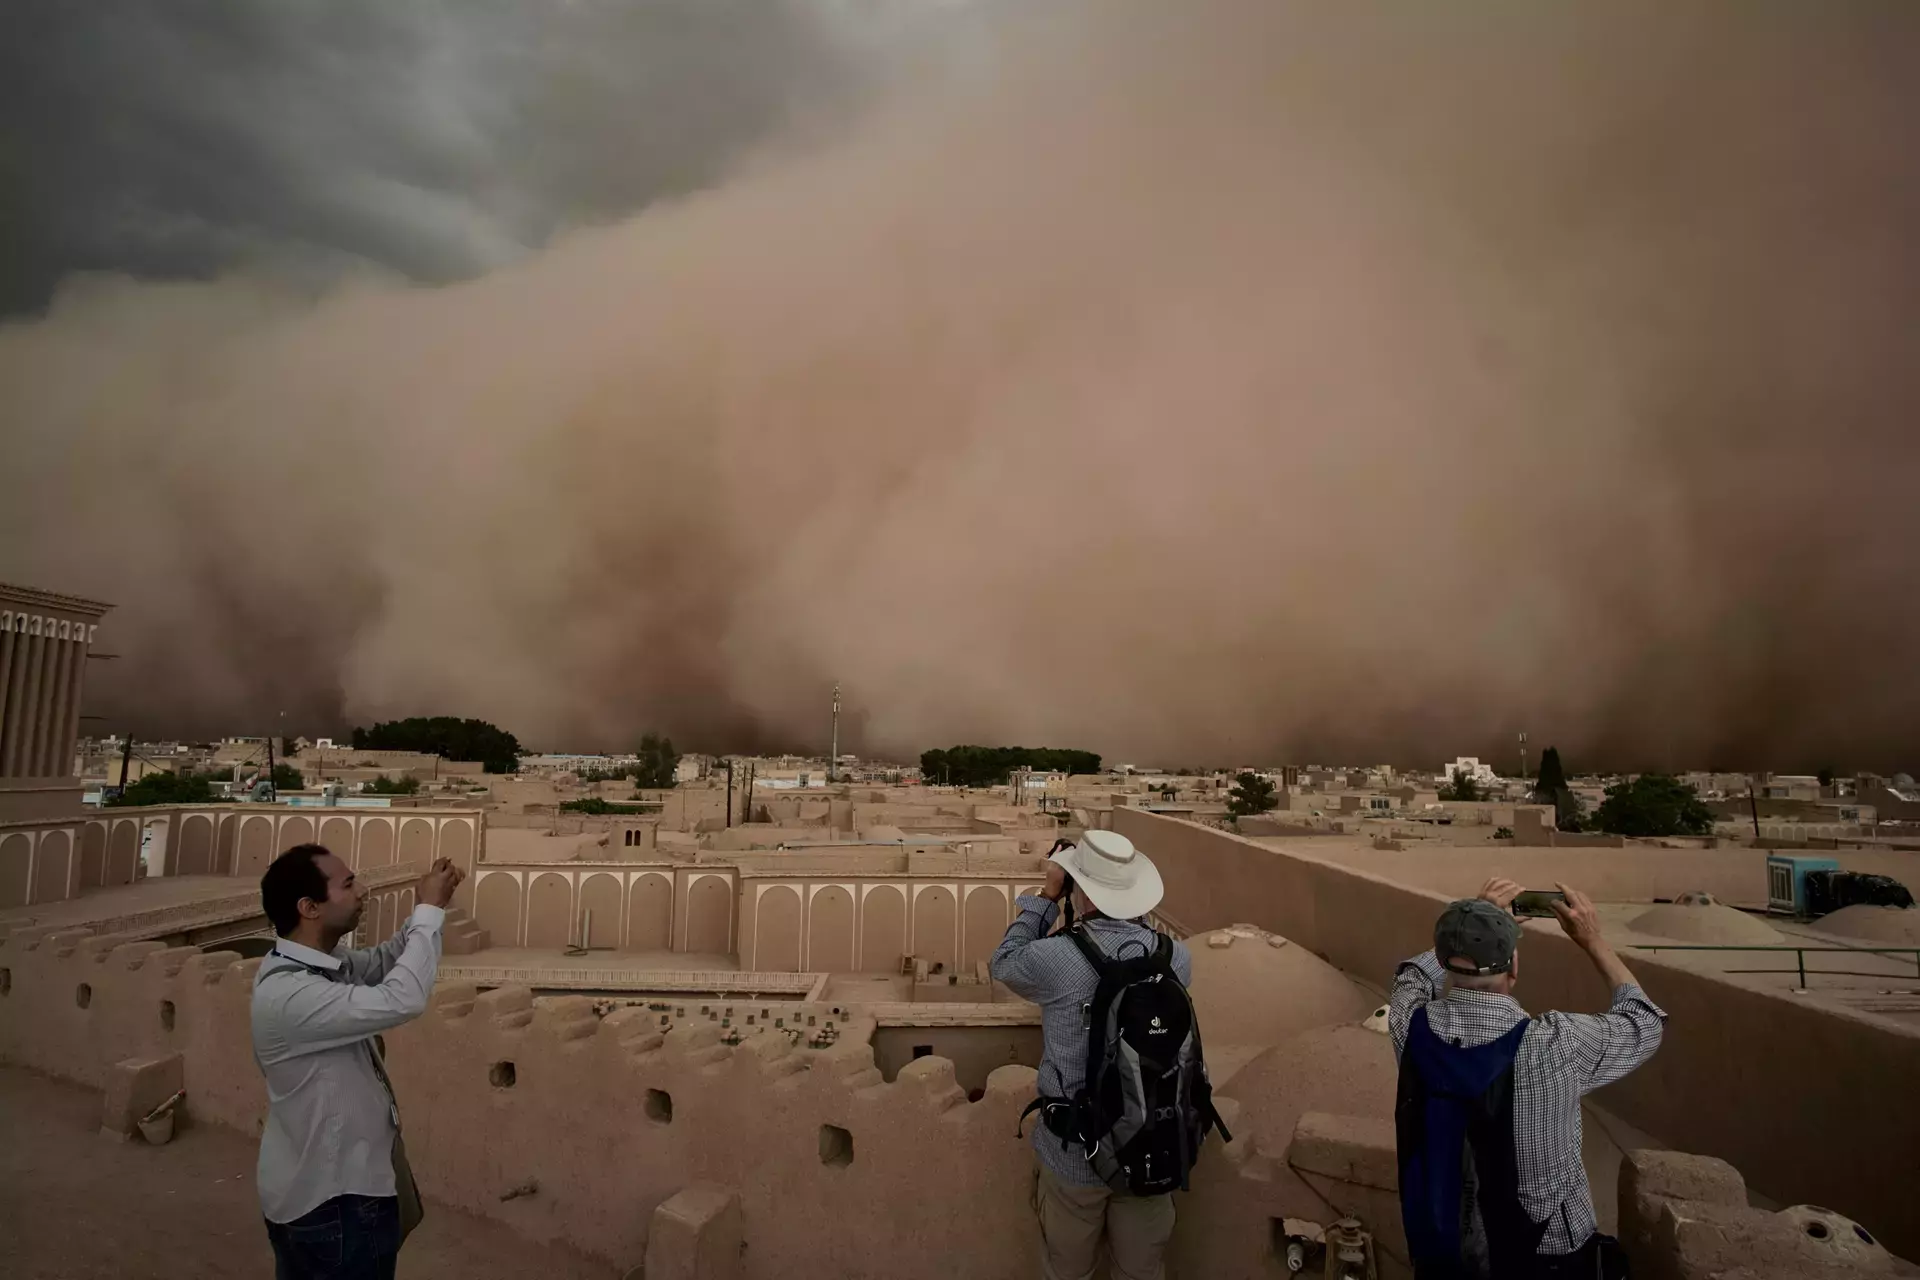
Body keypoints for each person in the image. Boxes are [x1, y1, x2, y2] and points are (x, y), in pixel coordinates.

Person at [1391, 879, 1666, 1279]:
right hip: (1545, 1262)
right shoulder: (1555, 1044)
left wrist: (1467, 926)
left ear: (1448, 960)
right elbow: (1645, 1022)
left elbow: (1412, 978)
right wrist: (1591, 940)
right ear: (1514, 966)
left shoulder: (1410, 1029)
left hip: (1443, 1258)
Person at [252, 844, 466, 1279]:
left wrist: (423, 913)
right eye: (348, 884)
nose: (363, 891)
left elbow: (384, 963)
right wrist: (428, 910)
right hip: (333, 1204)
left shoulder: (318, 966)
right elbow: (402, 998)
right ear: (309, 907)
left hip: (334, 1191)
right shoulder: (291, 995)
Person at [990, 830, 1196, 1280]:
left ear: (1080, 893)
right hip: (1150, 1148)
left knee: (1069, 1271)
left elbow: (1003, 961)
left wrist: (1048, 894)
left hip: (1074, 1155)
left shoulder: (1055, 959)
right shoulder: (1177, 958)